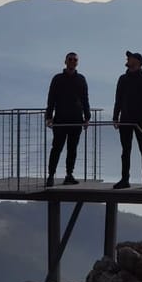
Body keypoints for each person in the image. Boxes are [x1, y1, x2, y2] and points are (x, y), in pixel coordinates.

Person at [112, 51, 142, 189]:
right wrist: (115, 117)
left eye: (130, 57)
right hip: (125, 120)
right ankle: (125, 179)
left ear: (137, 61)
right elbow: (118, 100)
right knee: (125, 151)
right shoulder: (122, 79)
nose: (127, 59)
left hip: (140, 120)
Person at [45, 52, 91, 187]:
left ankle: (69, 175)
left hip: (76, 119)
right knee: (56, 148)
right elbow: (51, 99)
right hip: (60, 119)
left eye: (75, 60)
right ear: (65, 61)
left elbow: (85, 99)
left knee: (72, 149)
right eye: (70, 59)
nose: (72, 62)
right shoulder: (57, 79)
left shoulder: (81, 79)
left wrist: (87, 117)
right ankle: (51, 175)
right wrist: (49, 116)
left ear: (77, 62)